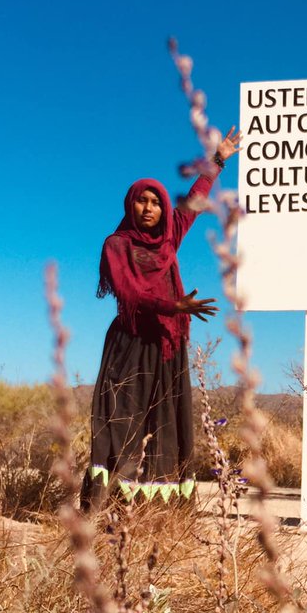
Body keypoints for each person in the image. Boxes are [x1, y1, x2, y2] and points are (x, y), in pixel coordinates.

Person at [83, 127, 241, 509]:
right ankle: (105, 512)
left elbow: (193, 202)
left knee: (165, 425)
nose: (150, 207)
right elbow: (130, 293)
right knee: (119, 423)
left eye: (156, 201)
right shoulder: (116, 245)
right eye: (142, 201)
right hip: (131, 343)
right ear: (131, 205)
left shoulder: (170, 237)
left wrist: (218, 160)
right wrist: (173, 307)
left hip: (167, 346)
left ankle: (159, 516)